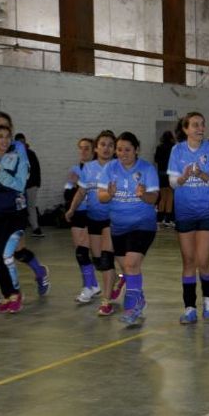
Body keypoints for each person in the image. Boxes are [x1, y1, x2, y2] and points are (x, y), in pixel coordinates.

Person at [0, 112, 49, 307]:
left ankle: (39, 273)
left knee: (16, 252)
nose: (4, 138)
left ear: (11, 130)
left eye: (6, 131)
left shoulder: (19, 149)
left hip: (14, 208)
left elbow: (18, 182)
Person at [168, 112, 209, 325]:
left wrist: (202, 174)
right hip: (184, 211)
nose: (200, 128)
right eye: (195, 125)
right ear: (185, 129)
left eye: (202, 124)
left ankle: (208, 299)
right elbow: (173, 183)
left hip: (208, 210)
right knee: (188, 261)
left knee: (203, 261)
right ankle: (190, 307)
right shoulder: (177, 150)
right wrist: (183, 178)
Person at [97, 132, 159, 327]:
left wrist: (143, 195)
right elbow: (101, 197)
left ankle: (132, 308)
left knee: (131, 264)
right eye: (120, 150)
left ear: (136, 150)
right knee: (128, 268)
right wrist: (109, 193)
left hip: (143, 224)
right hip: (119, 226)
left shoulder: (147, 169)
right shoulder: (110, 168)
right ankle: (139, 298)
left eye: (128, 150)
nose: (123, 153)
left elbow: (154, 198)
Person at [66, 131, 125, 316]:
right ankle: (120, 278)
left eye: (110, 145)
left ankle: (106, 301)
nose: (106, 148)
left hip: (112, 218)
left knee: (107, 260)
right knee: (98, 260)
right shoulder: (89, 168)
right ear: (96, 148)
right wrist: (72, 209)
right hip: (93, 219)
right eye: (103, 144)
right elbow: (81, 192)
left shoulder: (118, 167)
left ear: (114, 148)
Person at [0, 125, 32, 314]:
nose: (4, 140)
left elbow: (19, 185)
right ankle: (7, 295)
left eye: (7, 137)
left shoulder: (18, 157)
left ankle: (17, 294)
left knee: (7, 256)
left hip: (14, 215)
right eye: (0, 137)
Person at [64, 137, 102, 303]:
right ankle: (92, 285)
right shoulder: (74, 169)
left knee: (87, 252)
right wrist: (71, 186)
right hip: (77, 213)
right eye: (81, 148)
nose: (83, 151)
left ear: (93, 150)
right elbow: (67, 192)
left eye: (87, 148)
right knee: (80, 251)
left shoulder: (97, 169)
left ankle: (89, 286)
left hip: (91, 213)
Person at [15, 132, 44, 237]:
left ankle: (36, 228)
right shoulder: (13, 155)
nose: (21, 144)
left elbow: (37, 169)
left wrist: (37, 184)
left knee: (31, 206)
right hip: (19, 187)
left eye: (23, 142)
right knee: (19, 208)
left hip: (31, 185)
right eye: (19, 142)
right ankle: (19, 228)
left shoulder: (31, 154)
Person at [154, 130, 176, 227]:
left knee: (162, 197)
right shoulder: (173, 148)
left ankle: (159, 219)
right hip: (170, 173)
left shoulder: (159, 147)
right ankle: (167, 220)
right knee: (170, 197)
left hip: (161, 173)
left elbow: (156, 159)